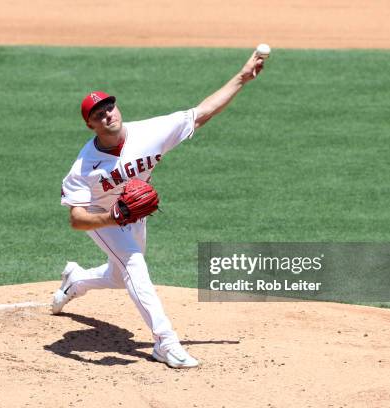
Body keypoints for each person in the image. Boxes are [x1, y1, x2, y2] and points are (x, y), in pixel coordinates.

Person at [54, 49, 267, 369]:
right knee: (134, 265)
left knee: (118, 274)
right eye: (98, 114)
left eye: (109, 107)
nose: (107, 114)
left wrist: (242, 77)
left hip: (132, 214)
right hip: (101, 217)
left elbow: (202, 113)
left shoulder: (150, 132)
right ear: (90, 125)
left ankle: (76, 280)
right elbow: (76, 219)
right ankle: (165, 342)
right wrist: (109, 218)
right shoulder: (83, 167)